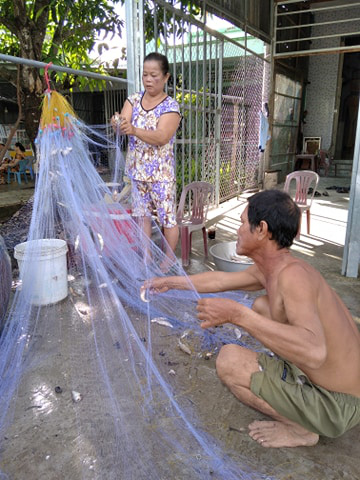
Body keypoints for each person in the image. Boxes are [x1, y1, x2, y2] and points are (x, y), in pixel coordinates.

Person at [143, 189, 360, 448]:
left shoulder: (293, 277)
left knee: (230, 361)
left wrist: (236, 314)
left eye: (243, 223)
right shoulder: (275, 269)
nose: (238, 230)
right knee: (263, 306)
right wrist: (171, 281)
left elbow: (315, 352)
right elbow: (220, 280)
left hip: (337, 405)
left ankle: (303, 430)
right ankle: (297, 392)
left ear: (262, 230)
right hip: (339, 390)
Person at [111, 52, 181, 267]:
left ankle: (168, 261)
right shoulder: (133, 99)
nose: (149, 80)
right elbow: (122, 123)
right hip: (137, 171)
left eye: (154, 75)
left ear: (166, 77)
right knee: (142, 217)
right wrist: (118, 123)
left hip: (161, 175)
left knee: (167, 218)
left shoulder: (170, 107)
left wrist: (133, 129)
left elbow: (162, 137)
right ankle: (147, 257)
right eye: (145, 75)